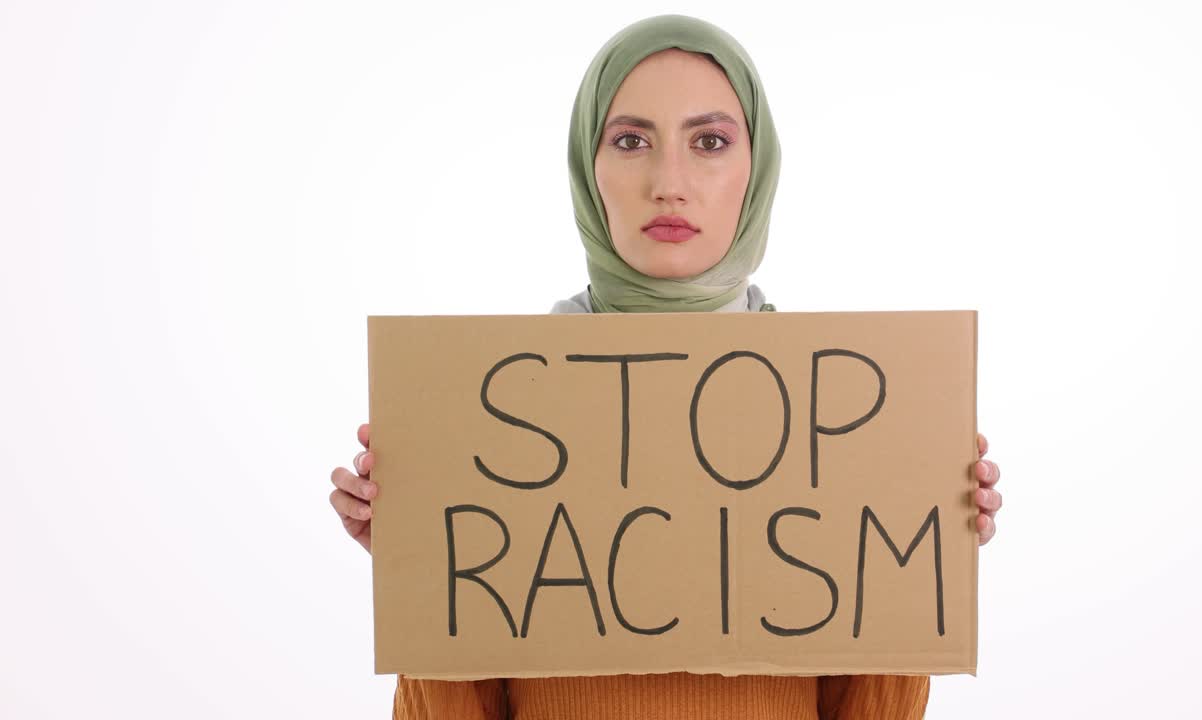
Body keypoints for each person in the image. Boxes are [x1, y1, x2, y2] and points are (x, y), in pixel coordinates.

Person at [328, 14, 1005, 720]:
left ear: (758, 168)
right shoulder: (488, 414)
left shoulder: (844, 411)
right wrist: (425, 568)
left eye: (709, 141)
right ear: (587, 169)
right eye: (630, 141)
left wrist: (917, 555)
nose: (669, 183)